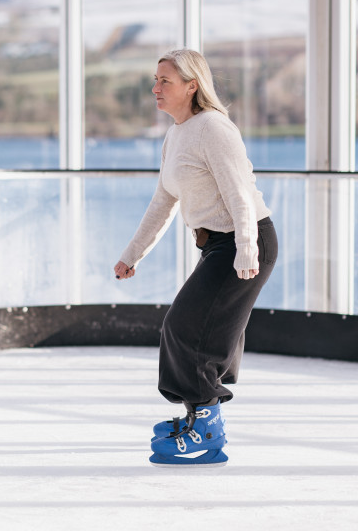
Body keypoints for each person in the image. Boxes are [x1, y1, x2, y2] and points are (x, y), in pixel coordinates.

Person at [114, 48, 277, 467]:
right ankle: (198, 415)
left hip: (244, 241)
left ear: (192, 85)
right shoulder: (177, 134)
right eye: (155, 80)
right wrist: (133, 254)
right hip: (216, 246)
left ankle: (206, 426)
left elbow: (239, 195)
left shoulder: (213, 129)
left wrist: (245, 249)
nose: (156, 88)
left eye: (165, 81)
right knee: (200, 330)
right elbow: (163, 202)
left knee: (187, 327)